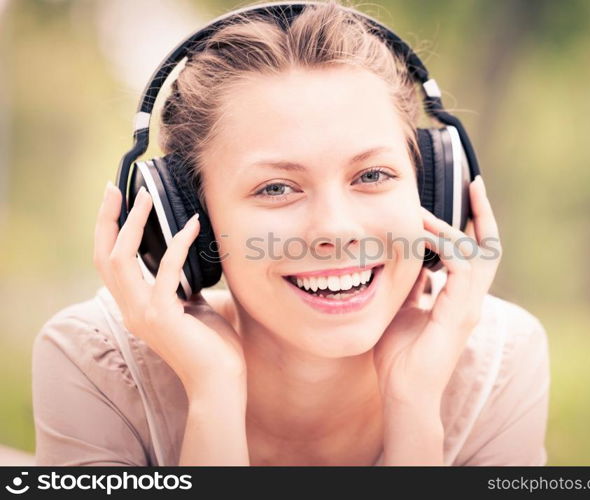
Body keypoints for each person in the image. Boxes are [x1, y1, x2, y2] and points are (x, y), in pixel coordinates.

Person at [31, 0, 550, 466]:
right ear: (189, 218)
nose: (336, 230)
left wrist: (413, 406)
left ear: (433, 190)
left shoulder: (499, 362)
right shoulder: (95, 363)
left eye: (372, 175)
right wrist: (213, 393)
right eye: (277, 188)